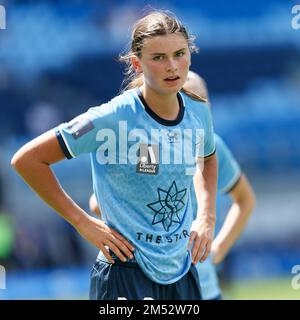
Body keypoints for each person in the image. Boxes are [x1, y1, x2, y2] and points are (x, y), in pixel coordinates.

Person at [11, 11, 217, 300]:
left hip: (182, 271)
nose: (172, 66)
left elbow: (207, 158)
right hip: (123, 274)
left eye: (179, 54)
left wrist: (206, 217)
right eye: (158, 57)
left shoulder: (197, 111)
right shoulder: (111, 118)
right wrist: (81, 222)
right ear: (137, 63)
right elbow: (27, 160)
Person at [89, 70, 256, 300]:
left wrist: (217, 251)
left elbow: (245, 200)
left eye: (199, 104)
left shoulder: (213, 149)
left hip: (205, 287)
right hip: (156, 279)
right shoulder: (149, 148)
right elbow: (99, 202)